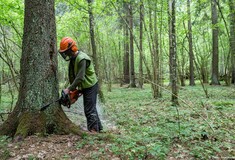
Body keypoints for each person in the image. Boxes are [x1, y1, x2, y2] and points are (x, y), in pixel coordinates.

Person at [58, 37, 103, 133]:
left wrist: (69, 89)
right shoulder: (73, 59)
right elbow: (73, 76)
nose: (65, 54)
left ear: (72, 49)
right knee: (91, 108)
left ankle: (94, 131)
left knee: (89, 109)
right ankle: (99, 127)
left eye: (66, 51)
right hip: (84, 86)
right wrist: (73, 91)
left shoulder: (82, 58)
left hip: (90, 85)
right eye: (64, 52)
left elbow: (80, 77)